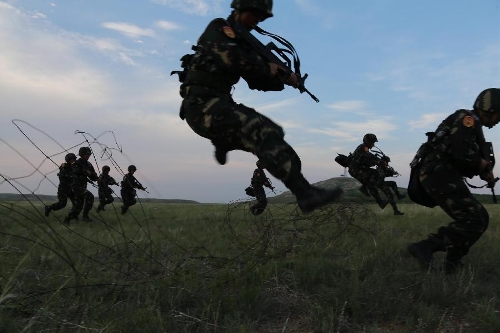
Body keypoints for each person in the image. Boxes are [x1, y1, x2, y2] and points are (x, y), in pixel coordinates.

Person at [176, 0, 342, 213]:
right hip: (201, 107)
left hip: (219, 105)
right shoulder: (220, 28)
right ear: (242, 8)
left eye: (261, 18)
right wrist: (266, 66)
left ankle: (225, 140)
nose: (257, 22)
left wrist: (283, 77)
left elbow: (259, 83)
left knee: (274, 133)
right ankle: (305, 194)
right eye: (256, 15)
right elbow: (232, 57)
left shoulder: (245, 44)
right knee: (260, 129)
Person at [407, 88, 499, 273]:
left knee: (479, 217)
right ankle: (426, 246)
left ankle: (452, 263)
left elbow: (464, 157)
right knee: (474, 219)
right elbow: (461, 153)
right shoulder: (468, 120)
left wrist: (482, 170)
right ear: (491, 109)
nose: (498, 120)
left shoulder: (474, 125)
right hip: (439, 173)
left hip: (442, 173)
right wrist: (481, 164)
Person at [348, 134, 404, 215]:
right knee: (372, 181)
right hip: (356, 169)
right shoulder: (363, 147)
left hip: (358, 169)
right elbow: (370, 156)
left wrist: (383, 165)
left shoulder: (364, 148)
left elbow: (370, 158)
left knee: (374, 176)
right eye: (373, 142)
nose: (374, 145)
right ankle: (375, 197)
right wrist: (380, 162)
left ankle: (372, 194)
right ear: (368, 142)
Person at [64, 146, 98, 224]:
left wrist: (97, 178)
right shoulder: (76, 163)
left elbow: (93, 174)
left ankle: (67, 219)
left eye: (89, 154)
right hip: (76, 186)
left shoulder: (88, 164)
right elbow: (77, 170)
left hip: (83, 186)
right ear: (81, 154)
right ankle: (85, 217)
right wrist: (87, 172)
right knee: (90, 196)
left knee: (78, 206)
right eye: (86, 154)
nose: (88, 156)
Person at [44, 153, 76, 217]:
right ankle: (49, 207)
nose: (73, 161)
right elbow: (63, 176)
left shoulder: (73, 167)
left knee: (76, 203)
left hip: (71, 188)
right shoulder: (63, 167)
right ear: (68, 160)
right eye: (72, 160)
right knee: (62, 204)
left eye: (74, 159)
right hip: (63, 188)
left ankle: (73, 216)